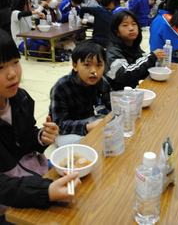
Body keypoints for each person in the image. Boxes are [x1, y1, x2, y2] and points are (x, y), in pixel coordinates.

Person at [0, 29, 80, 224]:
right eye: (0, 68)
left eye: (16, 62)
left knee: (85, 183)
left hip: (35, 170)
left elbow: (23, 141)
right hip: (7, 201)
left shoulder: (21, 98)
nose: (12, 74)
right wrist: (44, 190)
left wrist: (40, 137)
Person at [49, 40, 112, 147]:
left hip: (90, 120)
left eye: (99, 65)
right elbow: (59, 124)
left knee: (112, 123)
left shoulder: (100, 81)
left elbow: (111, 104)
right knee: (70, 143)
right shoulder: (61, 87)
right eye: (87, 65)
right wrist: (87, 127)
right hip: (65, 129)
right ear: (75, 66)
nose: (94, 71)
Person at [105, 10, 166, 91]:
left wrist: (156, 62)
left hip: (131, 93)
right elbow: (125, 74)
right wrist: (152, 57)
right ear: (117, 32)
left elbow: (141, 70)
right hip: (115, 97)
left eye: (134, 24)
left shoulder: (133, 46)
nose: (131, 28)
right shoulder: (113, 50)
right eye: (125, 25)